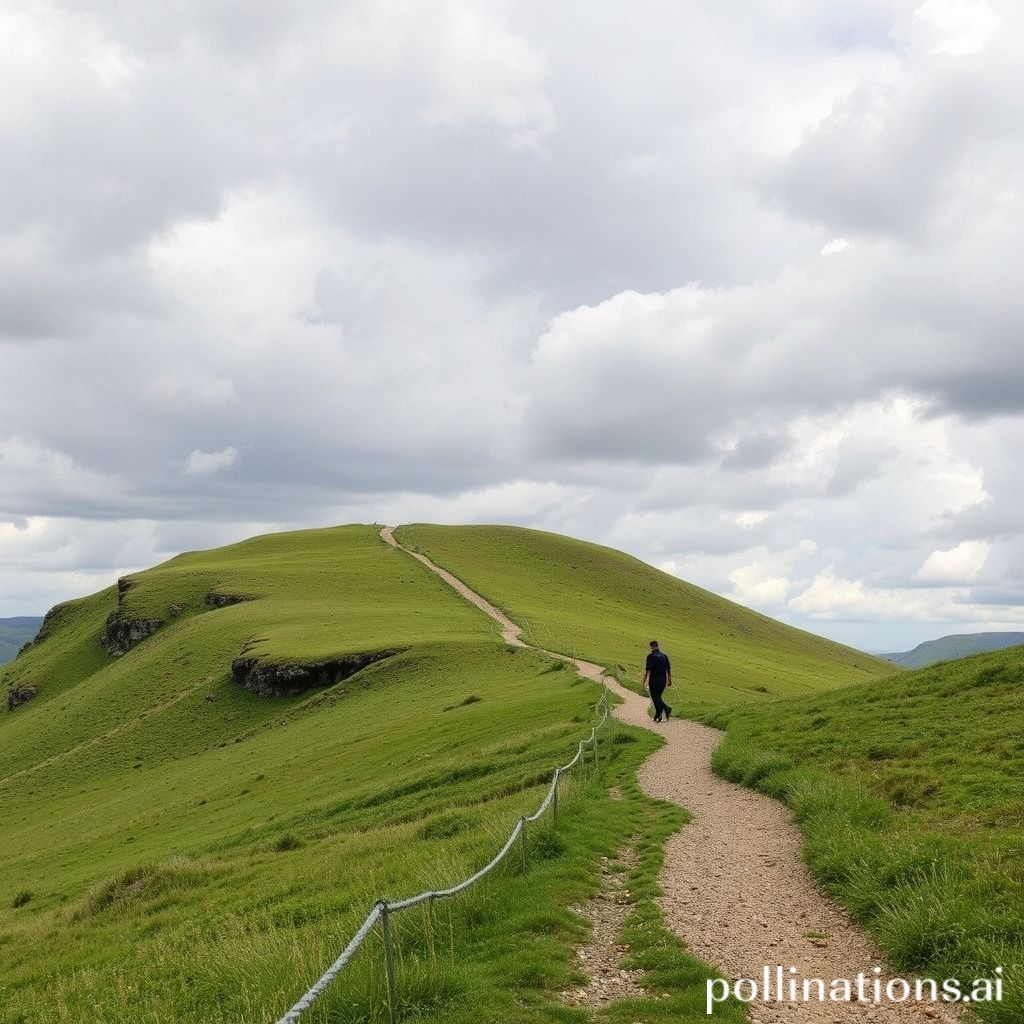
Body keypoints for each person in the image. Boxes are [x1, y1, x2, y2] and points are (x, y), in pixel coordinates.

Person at [642, 640, 672, 722]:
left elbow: (648, 670)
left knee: (655, 697)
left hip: (654, 679)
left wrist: (644, 681)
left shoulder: (650, 657)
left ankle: (667, 708)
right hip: (663, 680)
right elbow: (668, 669)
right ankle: (658, 714)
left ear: (651, 647)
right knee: (658, 697)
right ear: (657, 646)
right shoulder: (664, 656)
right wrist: (669, 679)